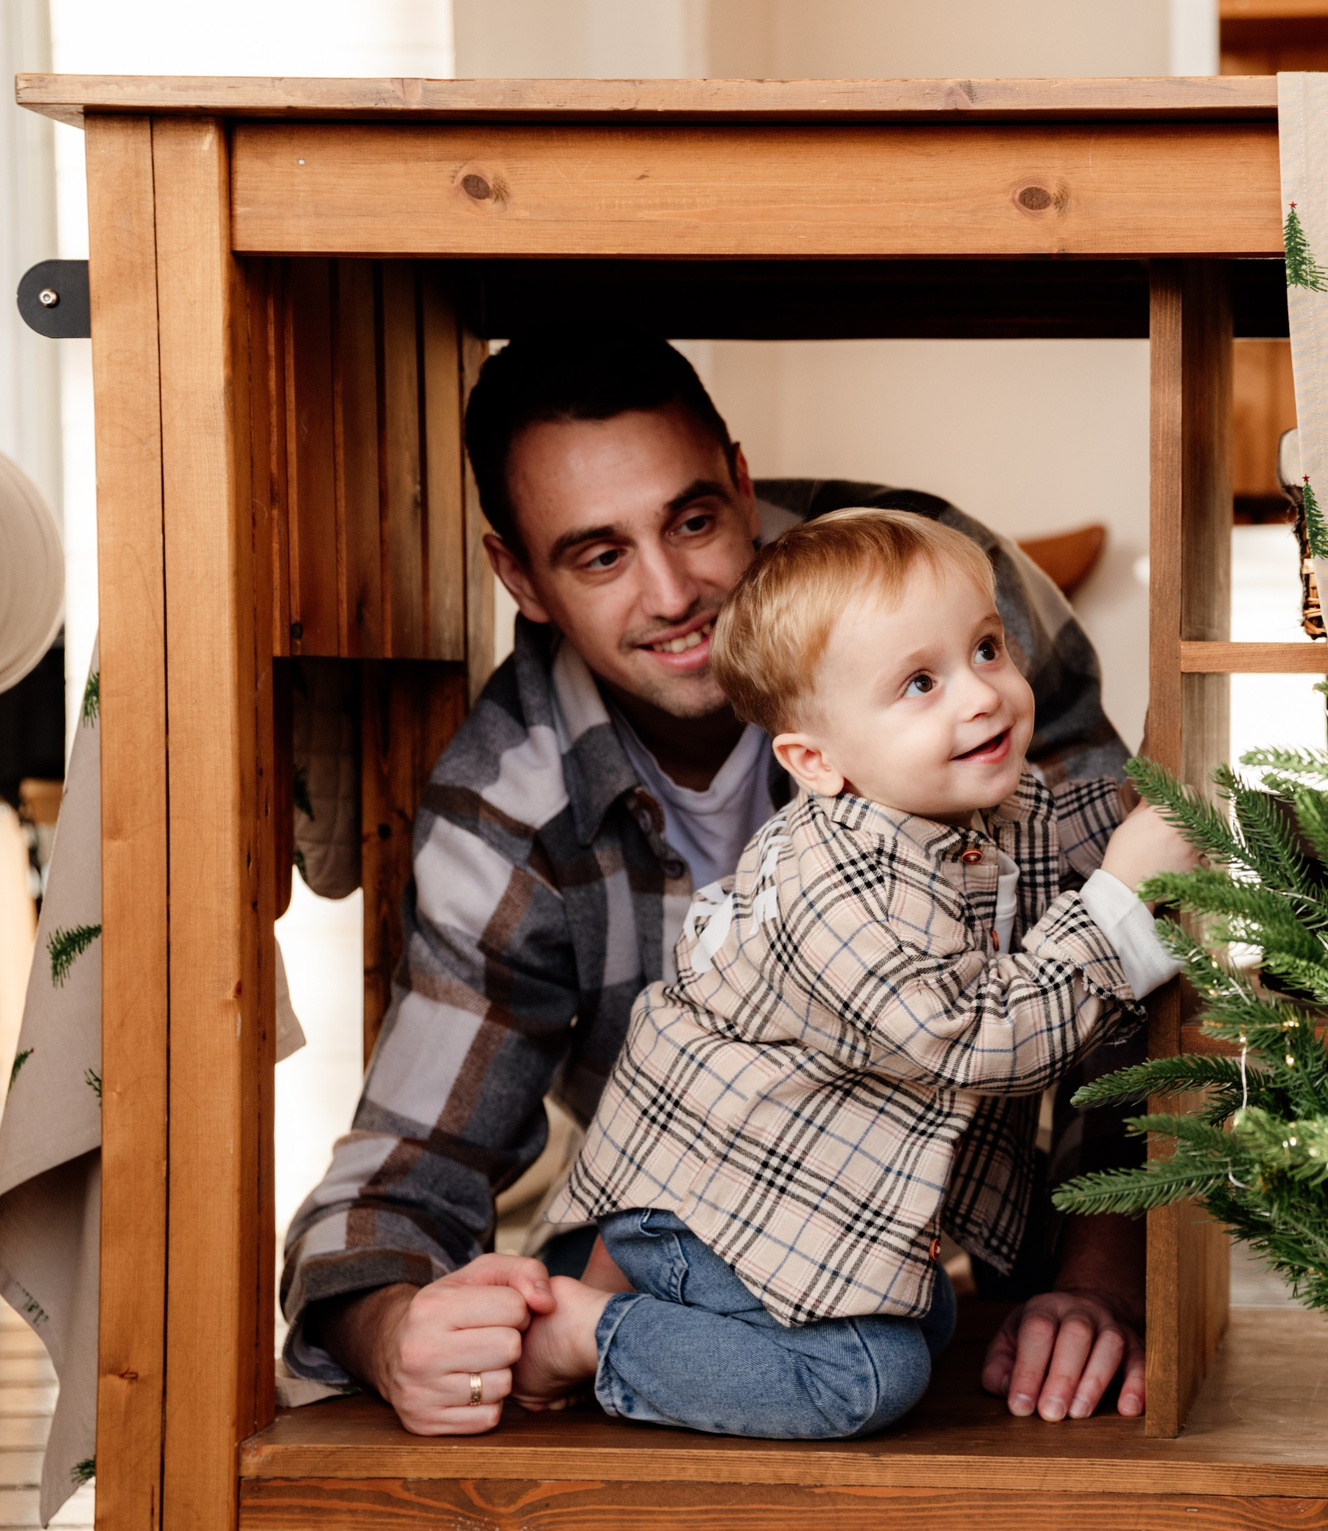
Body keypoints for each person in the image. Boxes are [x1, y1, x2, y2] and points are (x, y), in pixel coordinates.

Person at [280, 333, 1153, 1434]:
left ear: (741, 484)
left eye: (692, 520)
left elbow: (1122, 924)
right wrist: (390, 1331)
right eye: (598, 556)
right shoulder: (507, 804)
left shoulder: (934, 584)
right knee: (860, 1383)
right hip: (686, 1252)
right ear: (521, 578)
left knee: (921, 1357)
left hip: (924, 1242)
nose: (675, 593)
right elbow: (411, 1161)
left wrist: (1104, 1268)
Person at [501, 509, 1195, 1438]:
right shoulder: (833, 880)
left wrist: (1196, 821)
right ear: (816, 761)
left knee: (931, 1312)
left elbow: (1072, 835)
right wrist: (1120, 908)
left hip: (795, 1189)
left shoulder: (963, 804)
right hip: (713, 1196)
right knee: (869, 1370)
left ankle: (646, 1310)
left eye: (987, 647)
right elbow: (972, 1040)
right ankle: (589, 1335)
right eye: (919, 681)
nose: (981, 696)